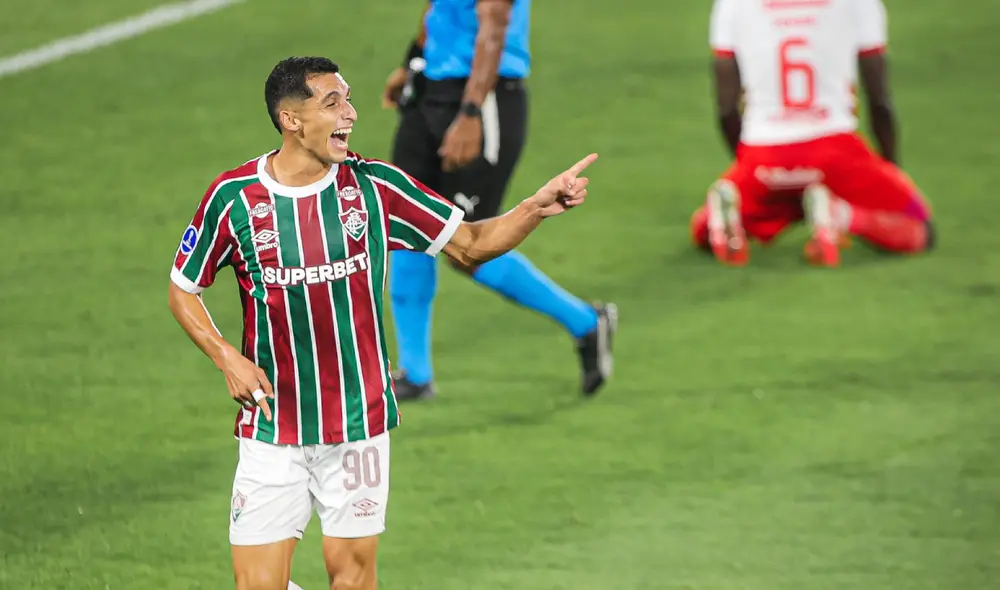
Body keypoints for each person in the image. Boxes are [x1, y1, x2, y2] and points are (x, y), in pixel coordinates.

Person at [167, 56, 599, 590]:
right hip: (272, 426)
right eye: (333, 103)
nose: (350, 112)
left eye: (347, 99)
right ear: (291, 120)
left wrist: (534, 207)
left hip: (358, 425)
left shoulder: (374, 188)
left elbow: (471, 244)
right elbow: (184, 288)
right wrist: (225, 356)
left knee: (352, 578)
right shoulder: (234, 200)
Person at [381, 0, 617, 400]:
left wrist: (471, 113)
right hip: (430, 92)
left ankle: (586, 322)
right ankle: (416, 373)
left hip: (482, 97)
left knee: (468, 247)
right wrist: (413, 60)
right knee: (403, 222)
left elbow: (493, 25)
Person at [691, 0, 935, 267]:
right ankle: (839, 214)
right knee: (918, 225)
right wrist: (890, 171)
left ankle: (727, 221)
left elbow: (726, 109)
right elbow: (880, 102)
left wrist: (748, 164)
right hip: (834, 150)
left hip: (764, 154)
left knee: (702, 228)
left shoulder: (732, 4)